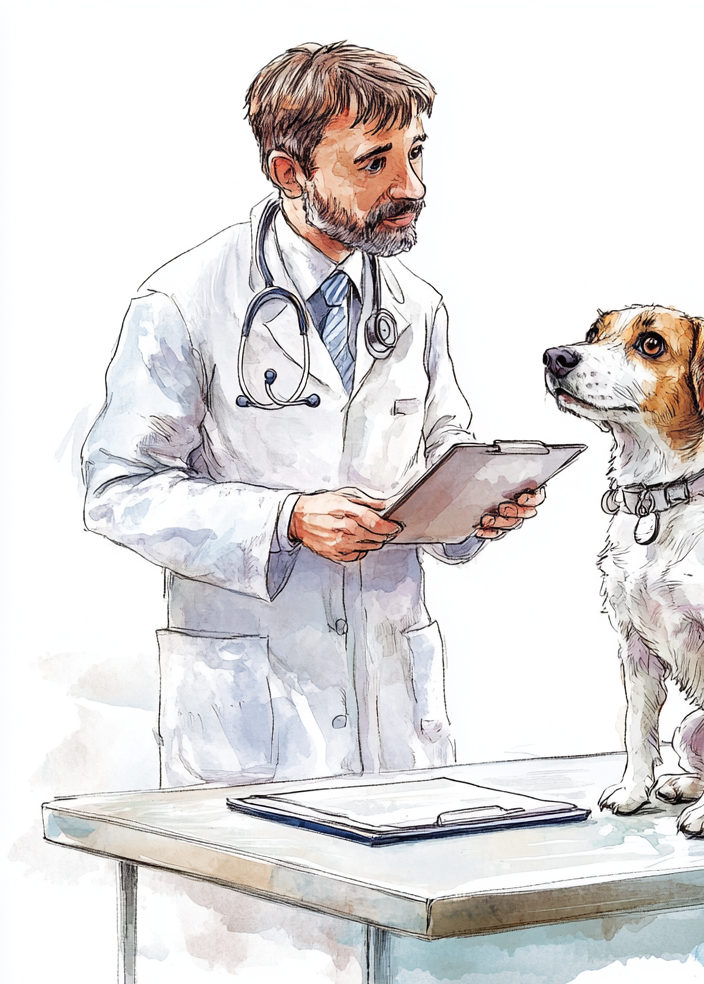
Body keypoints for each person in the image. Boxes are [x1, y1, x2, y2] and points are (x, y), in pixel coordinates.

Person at [82, 41, 543, 786]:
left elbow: (439, 446)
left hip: (391, 702)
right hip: (251, 716)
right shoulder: (184, 301)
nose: (413, 185)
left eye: (416, 153)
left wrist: (475, 507)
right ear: (289, 173)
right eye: (375, 162)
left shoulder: (417, 309)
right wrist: (287, 519)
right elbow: (116, 492)